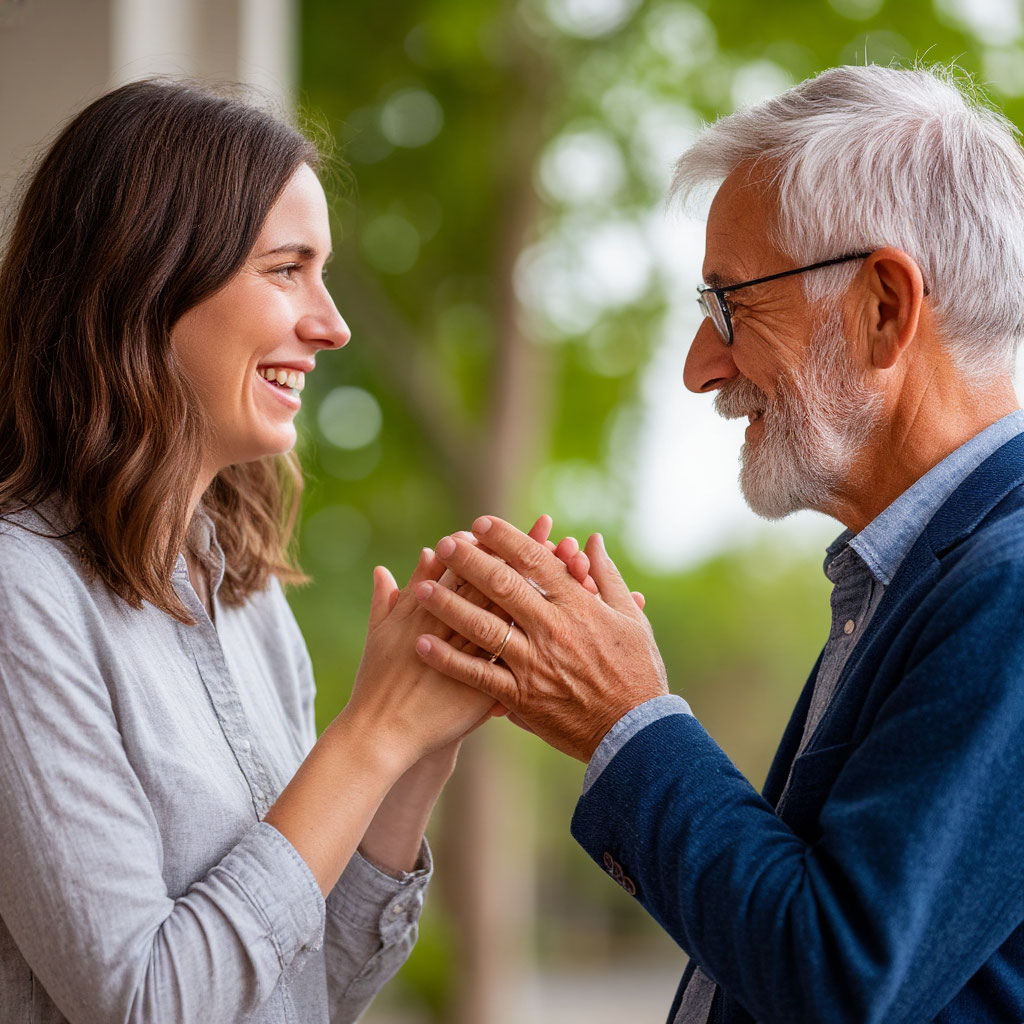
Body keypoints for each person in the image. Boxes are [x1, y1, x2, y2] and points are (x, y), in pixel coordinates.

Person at [410, 63, 1024, 1023]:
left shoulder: (1010, 586)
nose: (702, 368)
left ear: (885, 309)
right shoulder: (915, 577)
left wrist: (628, 721)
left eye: (730, 305)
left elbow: (837, 978)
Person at [0, 78, 577, 1024]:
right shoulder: (21, 591)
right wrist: (371, 732)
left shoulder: (245, 597)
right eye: (285, 270)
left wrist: (419, 743)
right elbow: (148, 1005)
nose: (332, 323)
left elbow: (310, 991)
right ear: (144, 282)